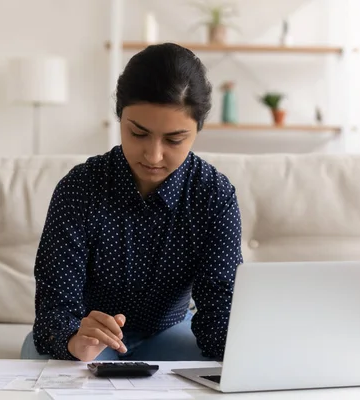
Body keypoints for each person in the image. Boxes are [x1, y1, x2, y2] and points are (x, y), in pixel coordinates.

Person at [21, 43, 243, 362]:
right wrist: (73, 340)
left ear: (198, 130)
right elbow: (54, 314)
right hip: (88, 340)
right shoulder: (79, 189)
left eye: (174, 140)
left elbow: (219, 315)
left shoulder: (214, 196)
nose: (153, 156)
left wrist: (250, 351)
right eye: (138, 133)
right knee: (52, 366)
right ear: (119, 116)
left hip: (171, 333)